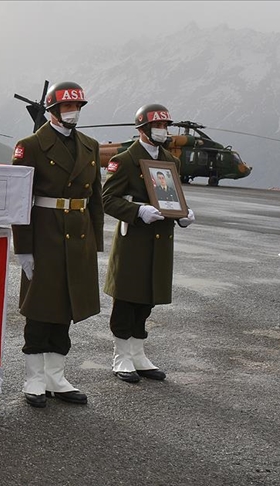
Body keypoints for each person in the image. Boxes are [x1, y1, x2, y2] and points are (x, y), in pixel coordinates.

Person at [10, 81, 104, 408]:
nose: (73, 112)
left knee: (66, 306)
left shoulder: (90, 146)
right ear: (51, 111)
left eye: (77, 107)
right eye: (67, 107)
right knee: (40, 309)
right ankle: (34, 378)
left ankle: (56, 376)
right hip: (45, 234)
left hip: (78, 235)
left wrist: (95, 241)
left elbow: (95, 200)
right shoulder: (31, 146)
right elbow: (19, 199)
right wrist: (22, 247)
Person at [102, 103, 196, 384]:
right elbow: (108, 198)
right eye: (158, 126)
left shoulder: (171, 160)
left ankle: (138, 354)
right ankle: (121, 356)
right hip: (135, 239)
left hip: (161, 239)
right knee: (128, 297)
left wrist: (183, 213)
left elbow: (170, 194)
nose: (162, 131)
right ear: (142, 129)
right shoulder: (126, 159)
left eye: (166, 126)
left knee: (148, 298)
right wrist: (137, 211)